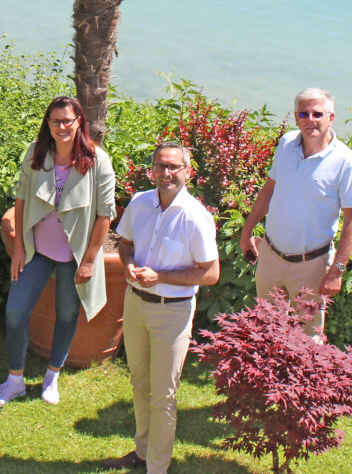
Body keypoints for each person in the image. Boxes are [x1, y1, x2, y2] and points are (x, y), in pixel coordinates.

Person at [0, 96, 114, 407]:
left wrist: (89, 260)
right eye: (55, 121)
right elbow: (20, 202)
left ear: (79, 122)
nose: (62, 126)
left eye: (68, 120)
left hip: (74, 257)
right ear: (48, 123)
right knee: (15, 314)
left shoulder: (99, 161)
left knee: (68, 314)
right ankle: (15, 380)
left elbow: (104, 215)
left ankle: (51, 376)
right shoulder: (36, 153)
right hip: (36, 252)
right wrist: (18, 247)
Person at [103, 141, 219, 472]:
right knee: (140, 382)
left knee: (163, 395)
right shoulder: (140, 203)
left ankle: (157, 466)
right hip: (136, 304)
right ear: (151, 170)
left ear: (187, 172)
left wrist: (161, 276)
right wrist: (127, 266)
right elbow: (125, 245)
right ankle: (142, 452)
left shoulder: (196, 217)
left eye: (173, 167)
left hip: (173, 311)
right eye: (159, 166)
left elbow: (210, 273)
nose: (165, 173)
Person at [239, 87, 352, 335]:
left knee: (307, 341)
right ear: (296, 118)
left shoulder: (346, 161)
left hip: (312, 266)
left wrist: (337, 269)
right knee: (265, 329)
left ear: (331, 117)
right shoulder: (286, 144)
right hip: (270, 257)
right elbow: (269, 188)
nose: (310, 120)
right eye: (303, 114)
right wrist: (247, 231)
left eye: (317, 114)